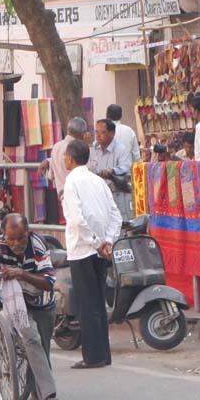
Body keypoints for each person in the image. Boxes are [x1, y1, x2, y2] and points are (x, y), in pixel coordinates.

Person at [0, 213, 61, 400]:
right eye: (11, 239)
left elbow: (48, 282)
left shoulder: (37, 245)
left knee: (41, 348)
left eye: (20, 238)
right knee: (31, 339)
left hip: (43, 304)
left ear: (28, 233)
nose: (16, 243)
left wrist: (21, 273)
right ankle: (48, 396)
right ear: (4, 235)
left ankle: (37, 390)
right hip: (16, 306)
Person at [62, 139, 122, 369]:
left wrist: (98, 243)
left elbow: (77, 219)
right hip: (99, 249)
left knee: (88, 304)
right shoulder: (98, 181)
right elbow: (115, 215)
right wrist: (107, 241)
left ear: (70, 158)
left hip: (83, 249)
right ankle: (102, 353)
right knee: (97, 300)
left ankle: (93, 355)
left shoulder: (72, 182)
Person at [89, 118, 133, 221]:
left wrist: (112, 170)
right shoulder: (94, 149)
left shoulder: (120, 149)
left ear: (112, 133)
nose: (98, 135)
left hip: (115, 195)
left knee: (117, 223)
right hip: (97, 194)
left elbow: (126, 167)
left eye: (102, 132)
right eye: (96, 132)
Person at [39, 117, 88, 196]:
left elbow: (51, 175)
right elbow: (90, 169)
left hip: (62, 195)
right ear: (83, 134)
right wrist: (89, 146)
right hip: (78, 194)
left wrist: (48, 161)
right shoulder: (78, 149)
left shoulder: (56, 147)